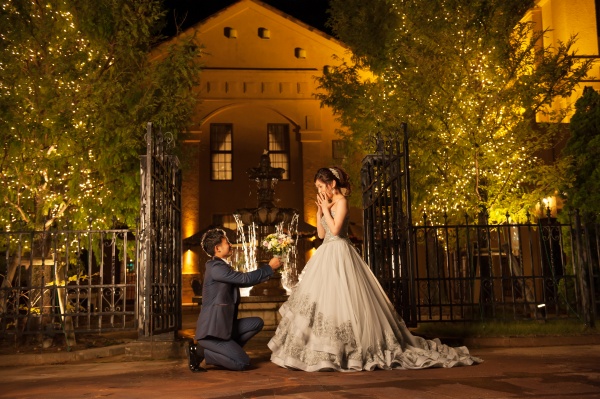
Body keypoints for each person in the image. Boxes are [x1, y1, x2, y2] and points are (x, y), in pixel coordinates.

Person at [268, 166, 482, 371]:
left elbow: (335, 229)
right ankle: (324, 349)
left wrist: (326, 209)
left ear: (332, 183)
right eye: (317, 188)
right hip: (325, 253)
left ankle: (351, 349)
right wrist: (318, 210)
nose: (320, 191)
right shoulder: (329, 204)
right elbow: (322, 235)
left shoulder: (341, 201)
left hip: (341, 254)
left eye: (322, 186)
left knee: (346, 300)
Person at [187, 228, 282, 372]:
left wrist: (269, 271)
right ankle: (201, 352)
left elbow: (245, 281)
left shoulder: (221, 266)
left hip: (223, 328)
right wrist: (269, 267)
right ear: (217, 248)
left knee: (257, 322)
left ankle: (226, 352)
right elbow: (245, 279)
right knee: (242, 363)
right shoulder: (216, 268)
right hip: (212, 333)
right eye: (227, 243)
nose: (230, 245)